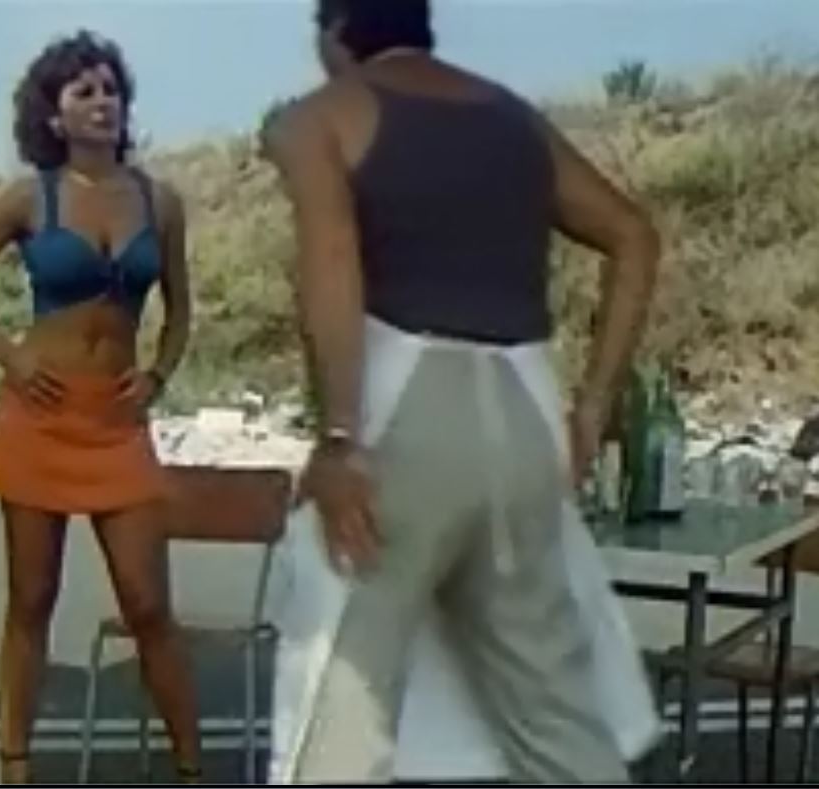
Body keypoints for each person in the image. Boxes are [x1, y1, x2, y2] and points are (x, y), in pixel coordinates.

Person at [263, 0, 661, 783]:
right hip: (524, 412)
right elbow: (635, 236)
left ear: (336, 31)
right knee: (552, 715)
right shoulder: (515, 122)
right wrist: (594, 404)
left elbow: (333, 263)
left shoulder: (320, 119)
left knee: (343, 701)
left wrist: (339, 436)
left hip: (405, 409)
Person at [0, 30, 200, 783]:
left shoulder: (160, 200)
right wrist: (10, 357)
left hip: (117, 421)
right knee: (32, 598)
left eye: (111, 89)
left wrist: (159, 374)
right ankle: (15, 764)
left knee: (148, 603)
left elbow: (180, 308)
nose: (103, 101)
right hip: (38, 417)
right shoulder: (30, 196)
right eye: (85, 92)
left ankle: (191, 766)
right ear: (54, 115)